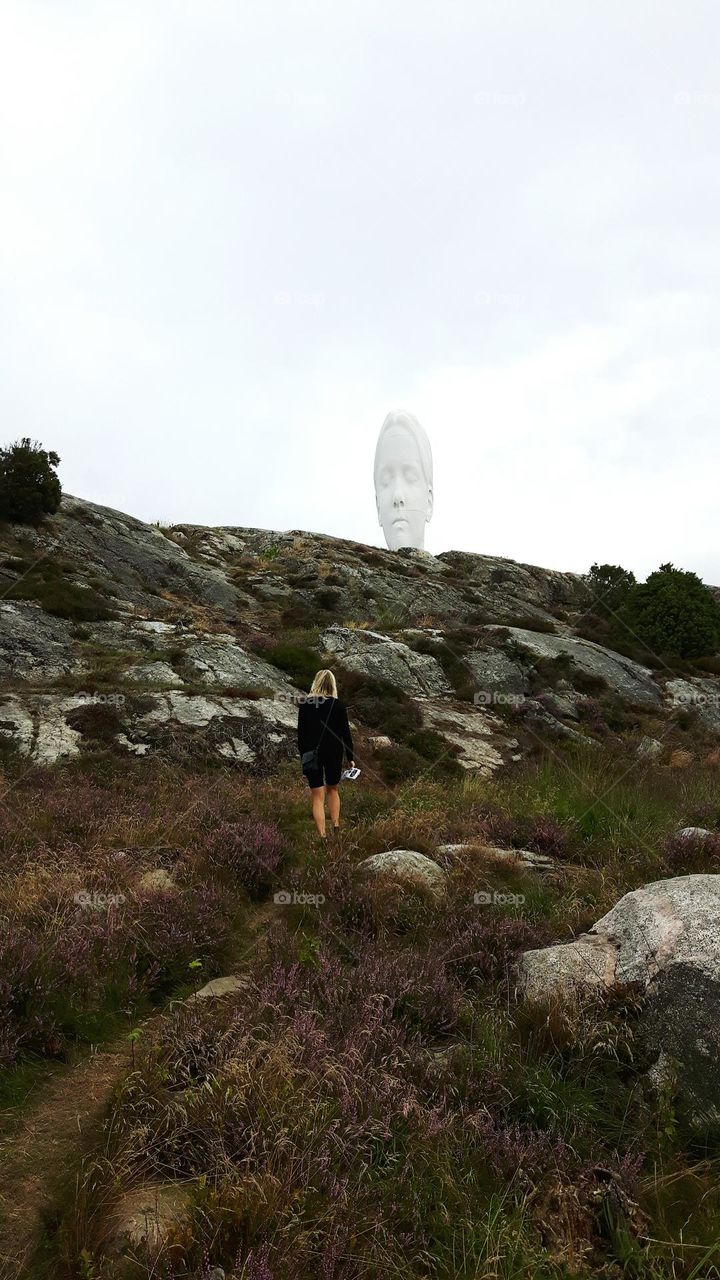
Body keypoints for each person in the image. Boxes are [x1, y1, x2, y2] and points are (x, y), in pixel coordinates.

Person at [298, 669, 355, 838]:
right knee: (333, 789)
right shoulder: (338, 706)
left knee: (317, 795)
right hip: (333, 752)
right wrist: (350, 757)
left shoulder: (305, 704)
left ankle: (322, 836)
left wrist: (304, 755)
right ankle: (336, 827)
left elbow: (301, 734)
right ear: (333, 685)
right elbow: (346, 733)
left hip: (311, 753)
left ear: (315, 683)